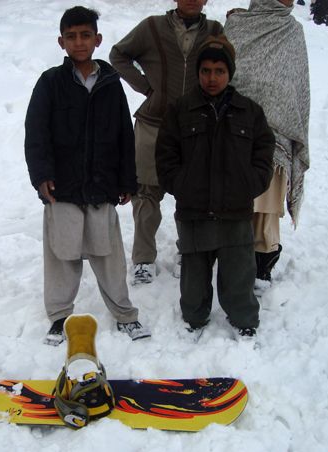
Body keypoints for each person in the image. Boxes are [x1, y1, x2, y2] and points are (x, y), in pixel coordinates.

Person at [24, 6, 151, 345]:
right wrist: (42, 176)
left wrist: (127, 180)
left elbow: (125, 134)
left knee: (108, 254)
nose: (78, 42)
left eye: (85, 35)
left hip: (101, 185)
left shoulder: (111, 83)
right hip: (62, 187)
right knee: (62, 255)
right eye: (71, 36)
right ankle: (60, 315)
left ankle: (124, 313)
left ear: (98, 39)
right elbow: (36, 133)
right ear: (61, 41)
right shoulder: (50, 83)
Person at [155, 35, 275, 337]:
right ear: (198, 73)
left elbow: (263, 156)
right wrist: (182, 185)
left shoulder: (250, 111)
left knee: (239, 275)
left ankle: (245, 321)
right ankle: (194, 320)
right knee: (194, 280)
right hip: (194, 210)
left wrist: (249, 184)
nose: (212, 78)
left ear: (229, 73)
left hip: (235, 210)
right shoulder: (181, 110)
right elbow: (166, 156)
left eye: (219, 71)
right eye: (206, 70)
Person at [109, 0, 223, 285]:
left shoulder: (214, 30)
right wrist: (148, 87)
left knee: (194, 193)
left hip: (196, 126)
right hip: (154, 123)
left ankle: (189, 251)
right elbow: (118, 54)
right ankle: (143, 258)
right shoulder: (152, 27)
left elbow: (228, 64)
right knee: (146, 193)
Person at [225, 0, 310, 287]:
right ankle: (232, 258)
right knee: (236, 202)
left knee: (266, 206)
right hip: (235, 131)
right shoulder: (238, 25)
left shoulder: (292, 31)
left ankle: (262, 266)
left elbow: (296, 84)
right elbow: (228, 73)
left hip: (276, 137)